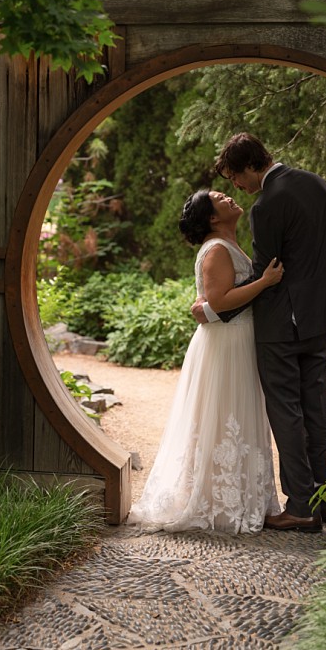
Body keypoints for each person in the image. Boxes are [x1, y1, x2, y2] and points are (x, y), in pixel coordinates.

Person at [192, 132, 326, 532]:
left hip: (280, 326)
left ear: (249, 167)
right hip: (319, 319)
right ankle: (323, 503)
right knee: (316, 412)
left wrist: (214, 311)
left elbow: (263, 273)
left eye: (236, 178)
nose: (238, 188)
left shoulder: (267, 205)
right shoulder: (318, 184)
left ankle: (301, 506)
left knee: (286, 412)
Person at [127, 189, 284, 533]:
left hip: (234, 339)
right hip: (226, 345)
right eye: (219, 198)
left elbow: (208, 303)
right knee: (224, 413)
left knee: (232, 415)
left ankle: (237, 496)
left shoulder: (225, 246)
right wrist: (265, 282)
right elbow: (219, 301)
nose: (228, 197)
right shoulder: (216, 250)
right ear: (212, 218)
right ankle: (218, 502)